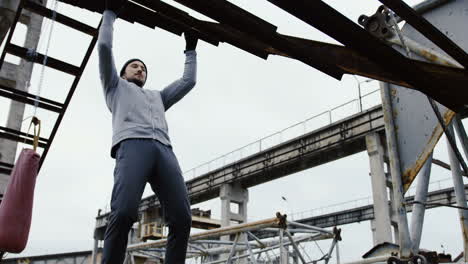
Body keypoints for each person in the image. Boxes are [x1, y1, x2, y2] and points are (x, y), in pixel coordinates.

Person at [97, 0, 198, 263]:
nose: (140, 69)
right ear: (122, 73)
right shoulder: (114, 87)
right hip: (133, 147)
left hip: (164, 151)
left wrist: (190, 50)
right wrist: (109, 13)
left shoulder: (158, 97)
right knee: (124, 212)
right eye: (134, 66)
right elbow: (105, 47)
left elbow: (189, 81)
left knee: (182, 218)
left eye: (143, 68)